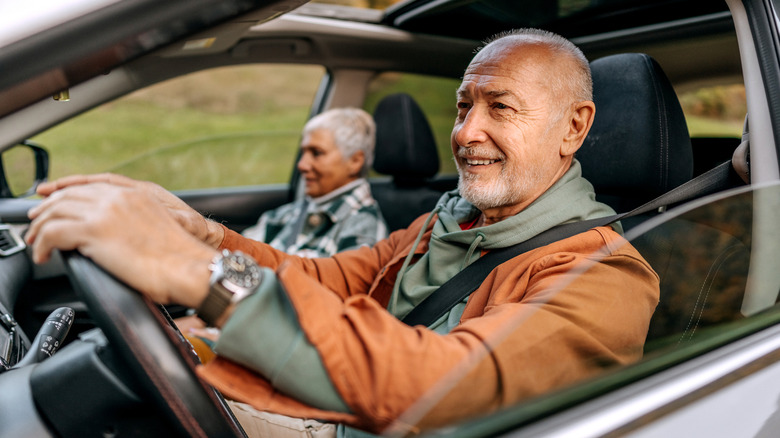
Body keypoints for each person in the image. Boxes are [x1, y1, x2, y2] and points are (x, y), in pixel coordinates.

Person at [25, 28, 660, 437]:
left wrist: (201, 277)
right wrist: (203, 237)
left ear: (575, 128)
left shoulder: (605, 276)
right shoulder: (449, 219)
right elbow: (324, 280)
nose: (466, 133)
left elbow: (440, 385)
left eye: (502, 107)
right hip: (338, 409)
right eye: (464, 105)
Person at [242, 107, 388, 258]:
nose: (302, 165)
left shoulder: (364, 231)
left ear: (355, 161)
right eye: (303, 153)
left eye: (317, 153)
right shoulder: (285, 215)